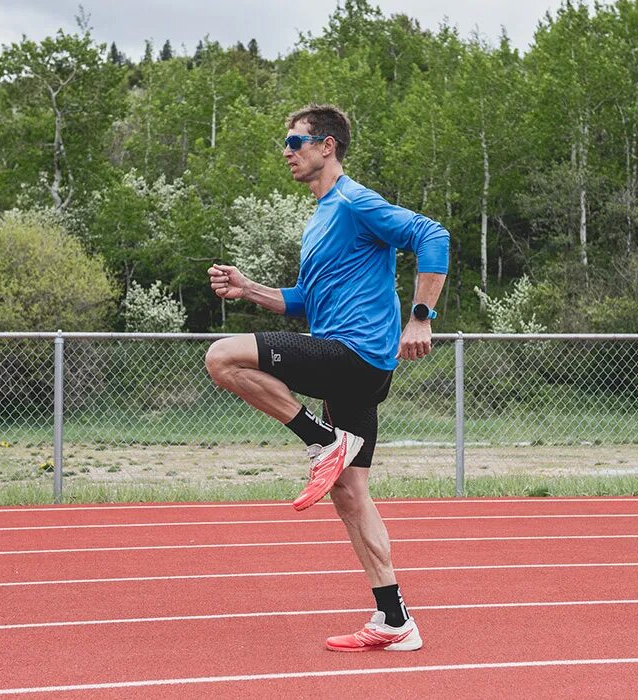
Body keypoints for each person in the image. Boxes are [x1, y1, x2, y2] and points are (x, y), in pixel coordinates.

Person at [204, 103, 449, 652]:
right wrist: (250, 289)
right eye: (286, 144)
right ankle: (395, 619)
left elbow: (433, 235)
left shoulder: (354, 202)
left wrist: (420, 316)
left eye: (295, 142)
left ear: (326, 146)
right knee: (351, 493)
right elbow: (303, 301)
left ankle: (321, 442)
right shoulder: (319, 220)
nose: (286, 153)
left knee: (222, 357)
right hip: (343, 364)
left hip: (354, 354)